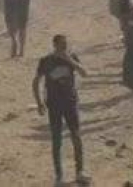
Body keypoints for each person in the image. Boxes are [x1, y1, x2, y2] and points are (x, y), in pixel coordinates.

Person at [32, 35, 90, 185]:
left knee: (76, 136)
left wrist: (69, 60)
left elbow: (84, 73)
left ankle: (80, 171)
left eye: (65, 44)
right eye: (61, 44)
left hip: (70, 102)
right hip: (54, 104)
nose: (64, 47)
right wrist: (39, 103)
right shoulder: (46, 60)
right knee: (57, 140)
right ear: (54, 45)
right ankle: (59, 176)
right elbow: (36, 81)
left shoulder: (71, 57)